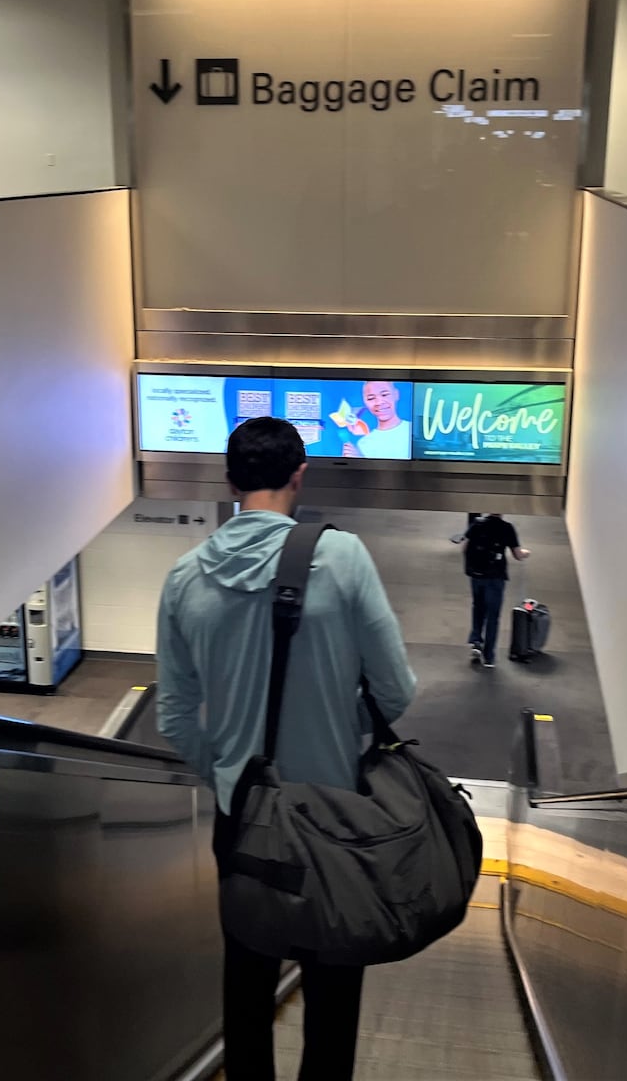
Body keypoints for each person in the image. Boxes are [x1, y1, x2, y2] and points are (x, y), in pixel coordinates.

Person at [157, 416, 417, 1081]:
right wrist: (340, 720)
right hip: (336, 817)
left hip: (242, 815)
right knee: (334, 990)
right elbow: (397, 690)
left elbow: (175, 714)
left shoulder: (184, 579)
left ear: (230, 480)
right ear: (301, 474)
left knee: (246, 986)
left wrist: (225, 772)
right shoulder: (345, 557)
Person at [461, 512, 528, 669]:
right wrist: (526, 553)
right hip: (495, 577)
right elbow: (518, 554)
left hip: (476, 576)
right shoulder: (506, 528)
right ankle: (489, 656)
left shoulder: (477, 524)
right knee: (493, 615)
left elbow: (464, 548)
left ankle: (476, 642)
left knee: (478, 607)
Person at [340, 380, 410, 459]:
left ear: (396, 394)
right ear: (365, 402)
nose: (379, 402)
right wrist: (356, 460)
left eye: (384, 395)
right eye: (371, 398)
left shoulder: (412, 430)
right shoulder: (363, 444)